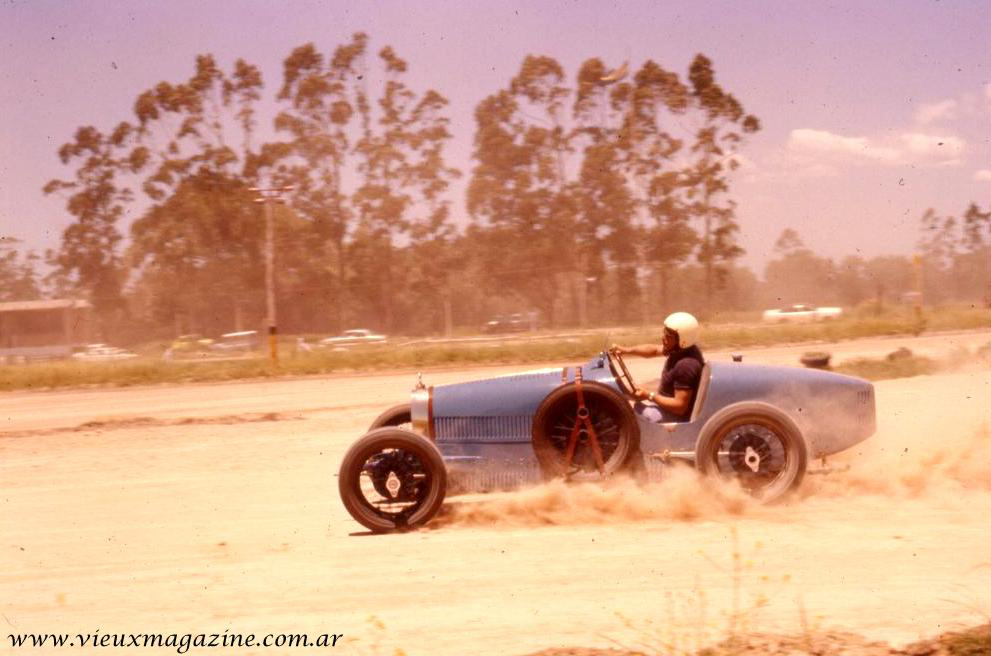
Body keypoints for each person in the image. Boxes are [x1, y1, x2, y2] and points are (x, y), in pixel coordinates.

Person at [612, 311, 705, 422]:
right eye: (664, 333)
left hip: (673, 417)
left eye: (668, 336)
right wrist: (626, 350)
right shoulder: (682, 349)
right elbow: (654, 350)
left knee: (622, 408)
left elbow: (680, 407)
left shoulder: (686, 365)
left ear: (682, 340)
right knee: (623, 402)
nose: (663, 338)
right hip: (665, 407)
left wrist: (649, 395)